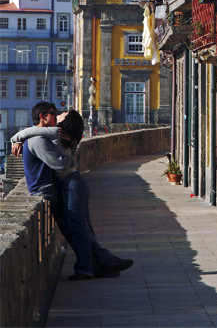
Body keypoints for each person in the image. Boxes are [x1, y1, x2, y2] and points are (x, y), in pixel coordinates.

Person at [11, 103, 133, 281]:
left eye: (60, 114)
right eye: (54, 113)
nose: (58, 115)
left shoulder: (51, 134)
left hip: (70, 183)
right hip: (73, 182)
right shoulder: (55, 136)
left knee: (77, 227)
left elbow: (31, 137)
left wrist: (16, 139)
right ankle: (101, 264)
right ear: (43, 116)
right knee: (82, 227)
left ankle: (91, 266)